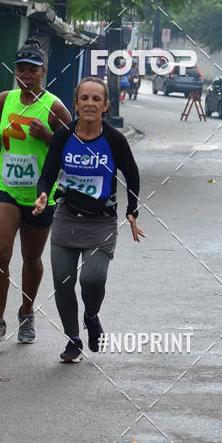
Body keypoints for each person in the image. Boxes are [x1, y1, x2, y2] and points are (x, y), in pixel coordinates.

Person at [33, 77, 145, 363]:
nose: (90, 104)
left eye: (97, 99)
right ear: (76, 103)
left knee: (92, 279)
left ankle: (92, 315)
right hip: (67, 217)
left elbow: (131, 175)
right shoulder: (63, 136)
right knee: (63, 282)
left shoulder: (114, 140)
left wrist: (132, 210)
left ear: (106, 105)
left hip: (101, 222)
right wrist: (43, 194)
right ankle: (73, 340)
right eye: (85, 98)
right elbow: (47, 173)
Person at [0, 38, 72, 351]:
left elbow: (72, 150)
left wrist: (48, 136)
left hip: (39, 194)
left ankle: (26, 312)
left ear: (43, 71)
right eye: (21, 68)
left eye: (32, 70)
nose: (26, 74)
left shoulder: (54, 107)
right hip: (4, 187)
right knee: (0, 254)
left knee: (31, 259)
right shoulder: (4, 98)